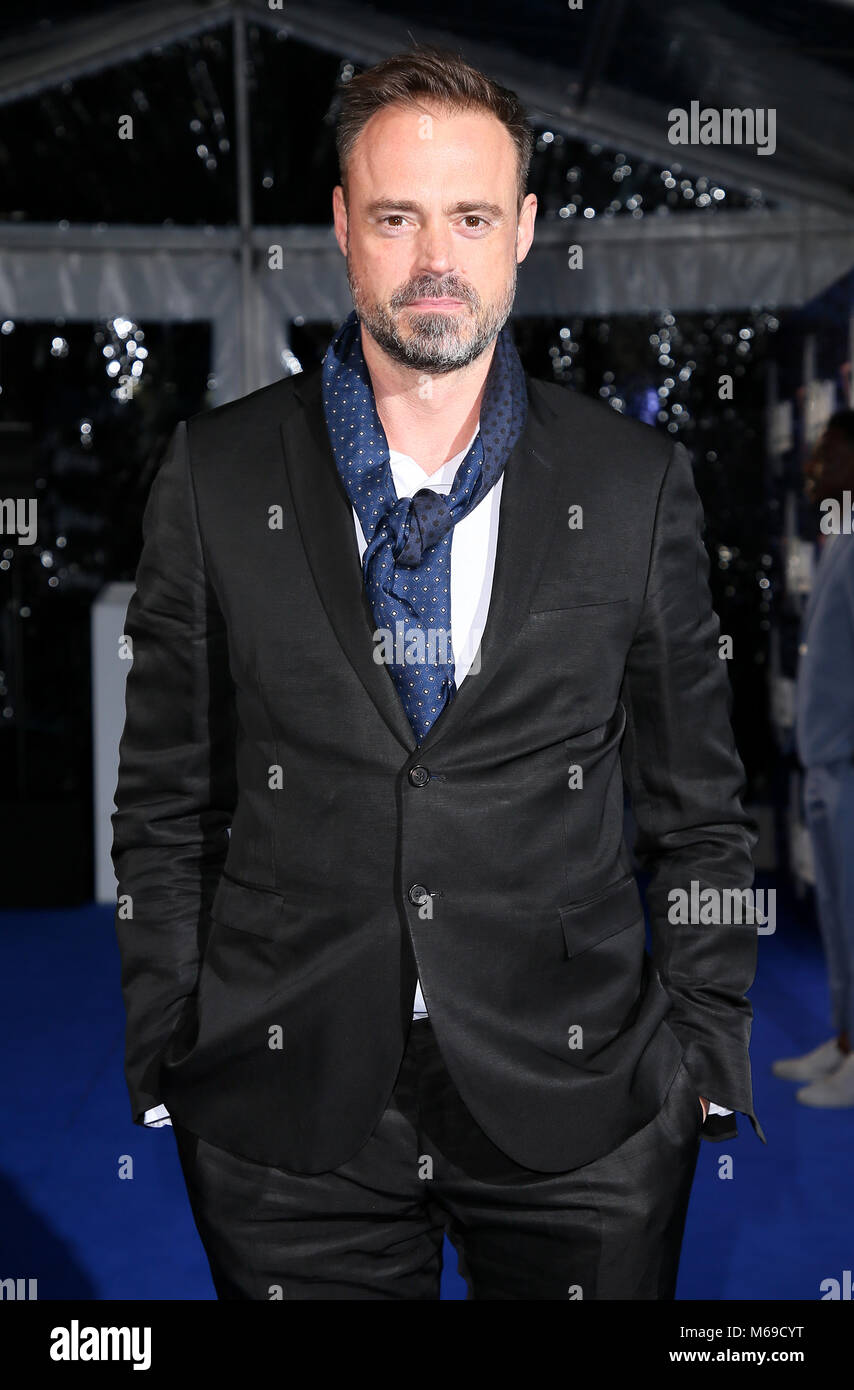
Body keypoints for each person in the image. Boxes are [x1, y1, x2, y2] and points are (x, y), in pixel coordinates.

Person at [112, 45, 763, 1301]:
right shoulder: (217, 475)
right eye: (397, 217)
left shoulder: (632, 485)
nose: (432, 261)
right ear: (342, 231)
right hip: (290, 1115)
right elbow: (164, 804)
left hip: (582, 1108)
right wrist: (171, 1047)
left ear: (521, 229)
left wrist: (704, 1064)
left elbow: (700, 816)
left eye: (469, 217)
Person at [774, 410, 854, 1106]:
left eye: (828, 455)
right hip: (827, 762)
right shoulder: (837, 539)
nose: (813, 468)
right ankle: (846, 1038)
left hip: (850, 763)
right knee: (836, 910)